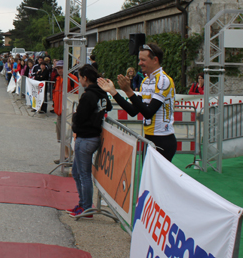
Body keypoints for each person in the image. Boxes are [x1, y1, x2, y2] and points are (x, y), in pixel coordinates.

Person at [97, 42, 177, 162]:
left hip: (163, 139)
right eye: (139, 59)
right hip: (149, 138)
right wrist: (113, 92)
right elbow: (133, 111)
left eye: (143, 60)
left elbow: (148, 113)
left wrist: (129, 91)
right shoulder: (145, 81)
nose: (139, 63)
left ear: (155, 60)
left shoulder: (163, 80)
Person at [68, 64, 111, 218]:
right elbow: (108, 107)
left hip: (86, 137)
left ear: (85, 78)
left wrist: (75, 120)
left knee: (84, 174)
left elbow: (80, 117)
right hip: (91, 136)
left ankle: (86, 207)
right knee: (76, 172)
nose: (79, 81)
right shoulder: (102, 94)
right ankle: (83, 204)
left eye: (80, 78)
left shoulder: (88, 96)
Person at [52, 60, 79, 163]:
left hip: (68, 112)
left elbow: (77, 94)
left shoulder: (72, 79)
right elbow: (55, 93)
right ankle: (65, 156)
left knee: (68, 135)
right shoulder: (57, 79)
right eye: (58, 68)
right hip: (59, 112)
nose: (59, 70)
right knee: (61, 136)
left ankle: (68, 157)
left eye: (61, 68)